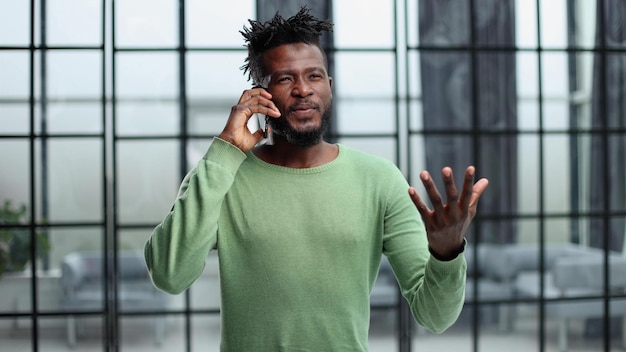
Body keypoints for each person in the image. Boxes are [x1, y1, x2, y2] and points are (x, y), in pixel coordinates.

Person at [144, 7, 489, 351]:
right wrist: (226, 149)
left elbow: (435, 316)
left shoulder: (379, 179)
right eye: (284, 78)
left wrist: (446, 253)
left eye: (314, 76)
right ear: (259, 95)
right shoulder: (222, 176)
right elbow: (169, 275)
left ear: (329, 86)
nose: (302, 90)